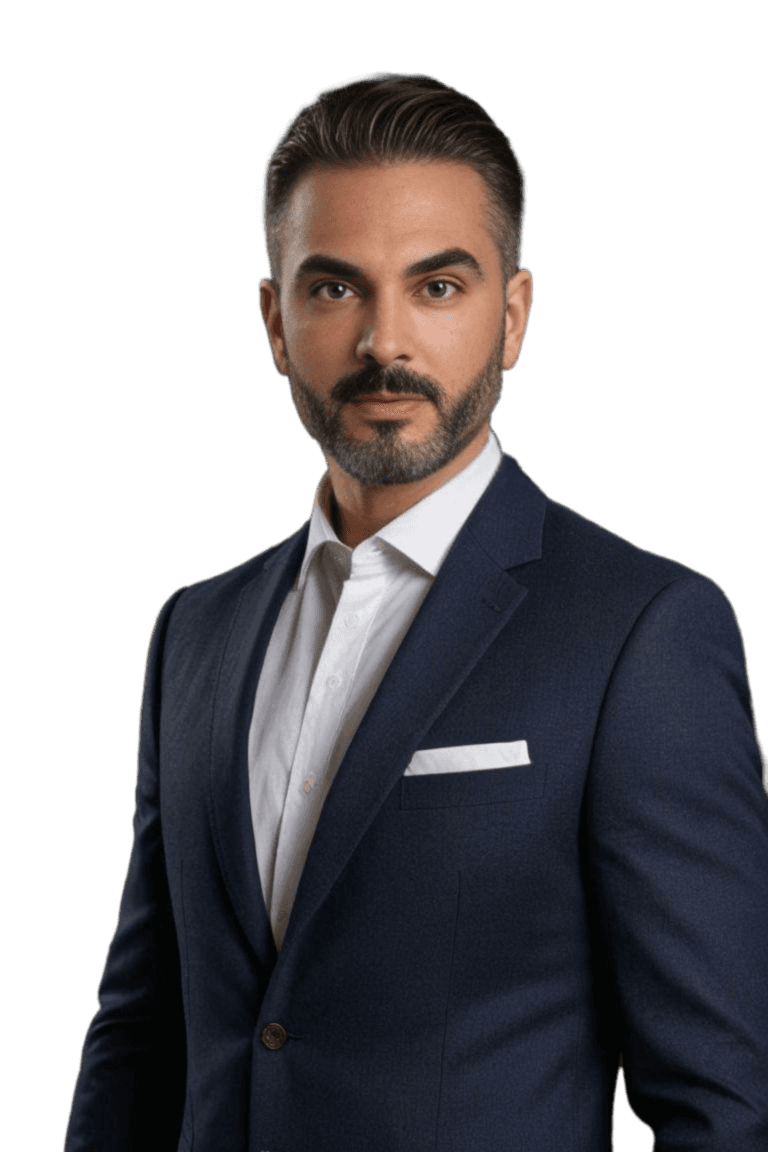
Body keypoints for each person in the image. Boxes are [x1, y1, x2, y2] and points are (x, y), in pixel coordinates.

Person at [65, 71, 768, 1152]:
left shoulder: (646, 631)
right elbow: (139, 1040)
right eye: (334, 289)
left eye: (437, 286)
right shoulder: (191, 633)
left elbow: (725, 1102)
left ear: (513, 316)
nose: (383, 343)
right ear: (275, 321)